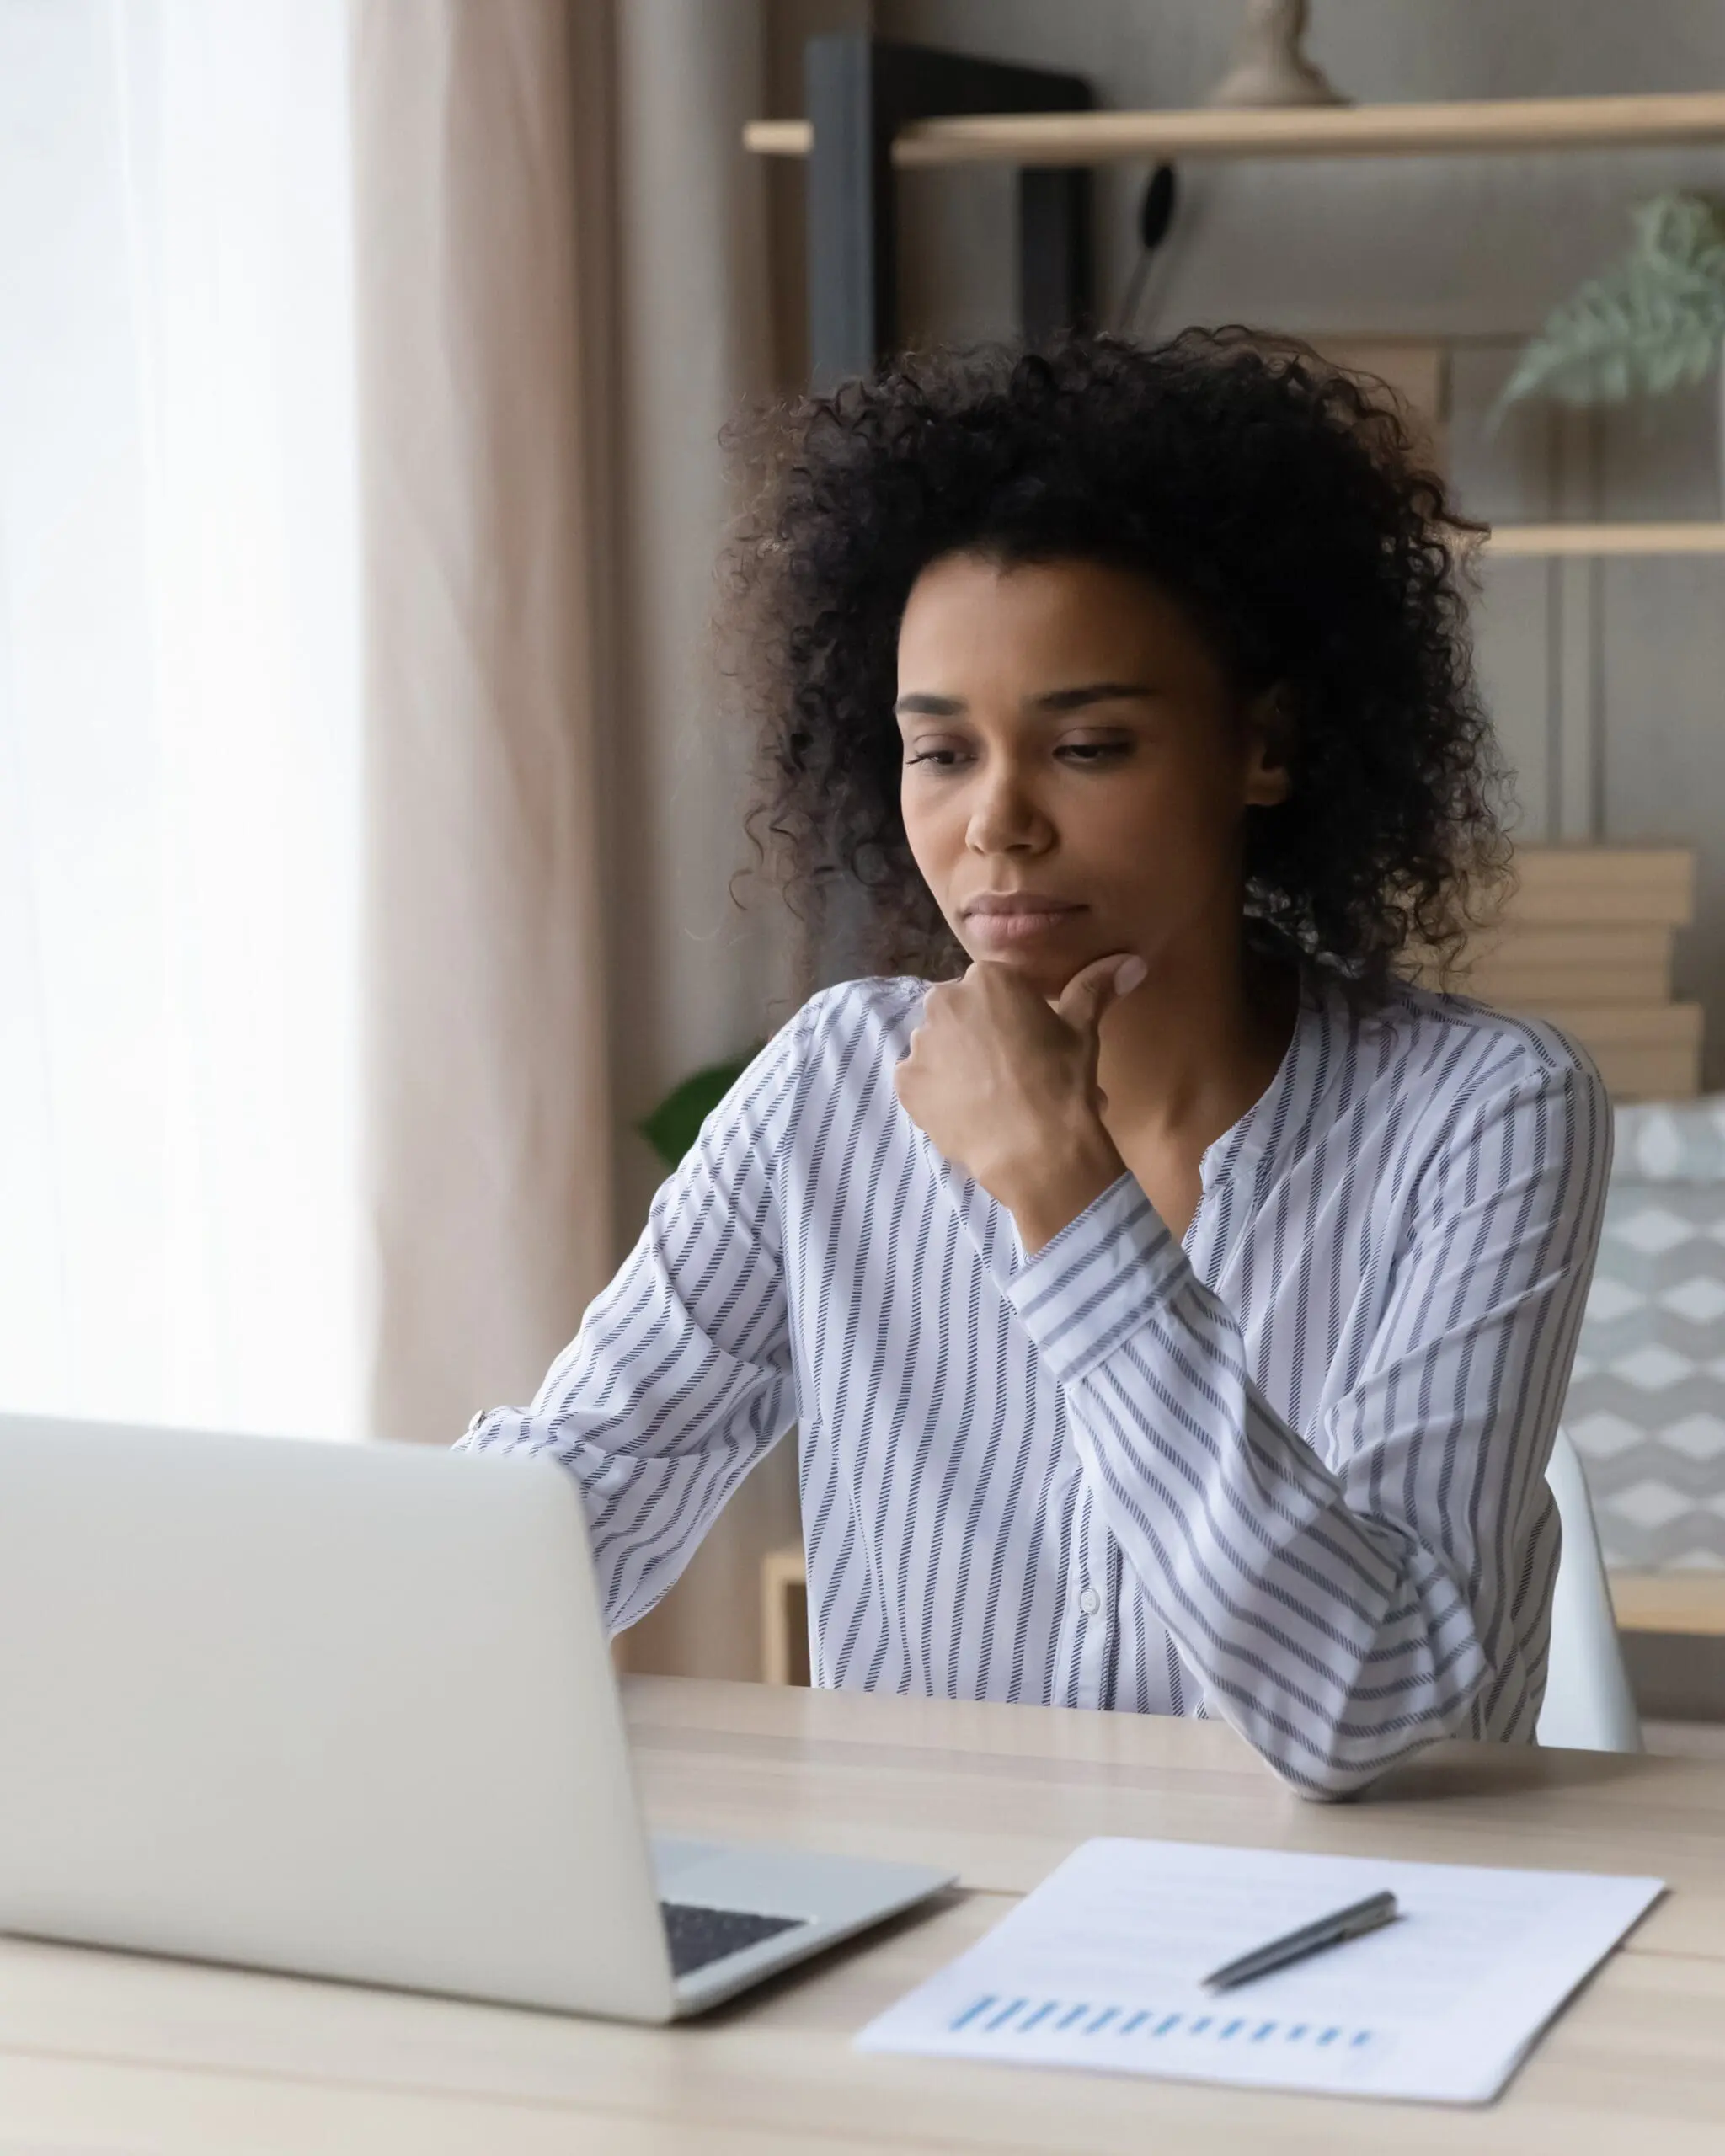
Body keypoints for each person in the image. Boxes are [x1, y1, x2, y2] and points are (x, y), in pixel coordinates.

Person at [461, 328, 1610, 1799]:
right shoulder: (831, 1089)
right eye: (943, 754)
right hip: (928, 1941)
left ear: (1260, 747)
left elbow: (1359, 1707)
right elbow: (577, 1506)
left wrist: (1070, 1199)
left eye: (1089, 747)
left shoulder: (1486, 1119)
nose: (996, 823)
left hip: (1357, 1959)